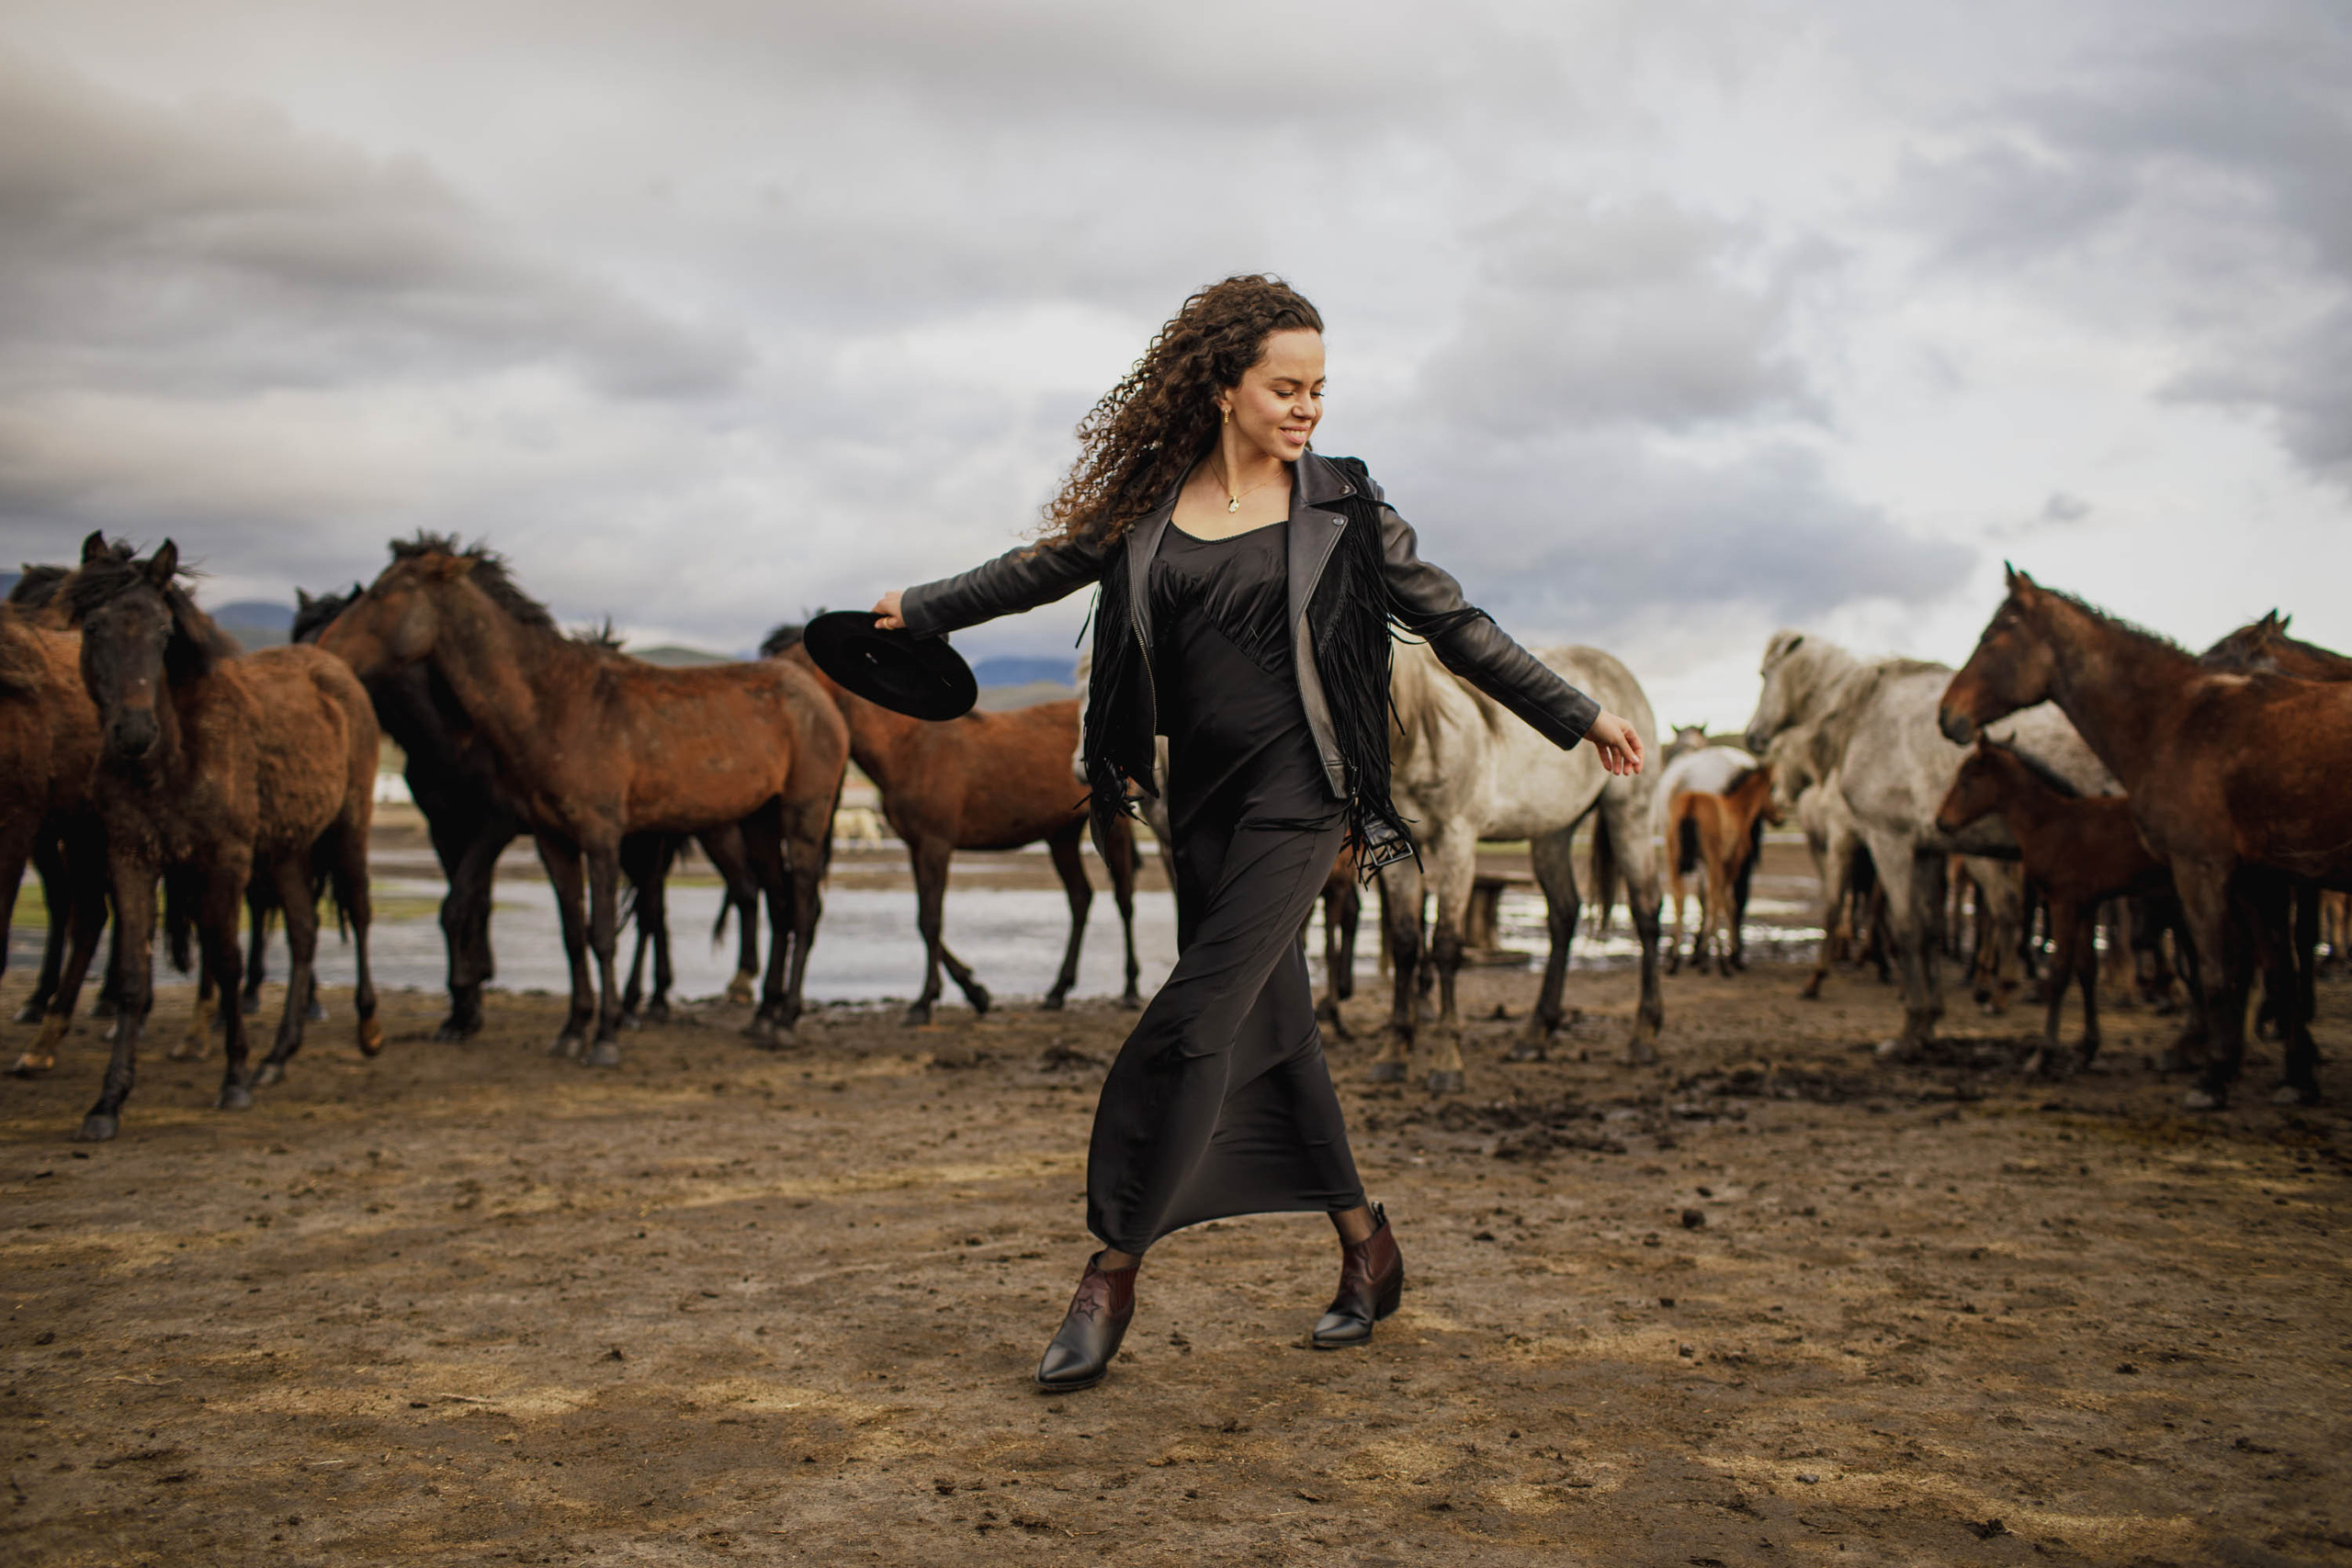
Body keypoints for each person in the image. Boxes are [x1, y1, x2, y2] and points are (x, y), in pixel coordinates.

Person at [872, 276, 1643, 1393]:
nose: (1307, 407)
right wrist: (922, 607)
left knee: (1192, 1021)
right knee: (1277, 1033)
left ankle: (1111, 1267)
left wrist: (1578, 714)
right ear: (1224, 386)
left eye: (1320, 389)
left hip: (1302, 795)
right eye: (1287, 387)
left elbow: (1454, 622)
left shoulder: (1341, 505)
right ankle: (1365, 1247)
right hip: (1204, 808)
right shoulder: (1147, 501)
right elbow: (1041, 568)